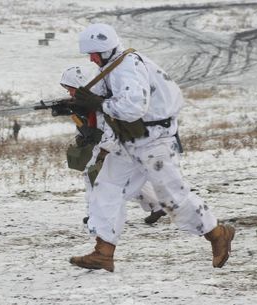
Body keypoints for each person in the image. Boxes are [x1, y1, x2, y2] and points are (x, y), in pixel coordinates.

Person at [69, 23, 235, 272]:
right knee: (107, 186)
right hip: (129, 141)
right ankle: (103, 251)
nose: (91, 59)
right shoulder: (112, 68)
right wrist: (83, 105)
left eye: (94, 54)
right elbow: (105, 100)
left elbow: (134, 107)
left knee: (172, 197)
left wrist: (99, 104)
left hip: (154, 140)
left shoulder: (127, 67)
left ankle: (218, 233)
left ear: (106, 50)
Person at [60, 65, 168, 226]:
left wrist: (103, 152)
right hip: (119, 145)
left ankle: (95, 214)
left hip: (116, 145)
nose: (69, 93)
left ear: (81, 85)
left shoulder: (100, 101)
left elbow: (109, 128)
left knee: (92, 175)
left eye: (71, 89)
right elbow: (92, 125)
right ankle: (157, 204)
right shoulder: (91, 101)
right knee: (129, 179)